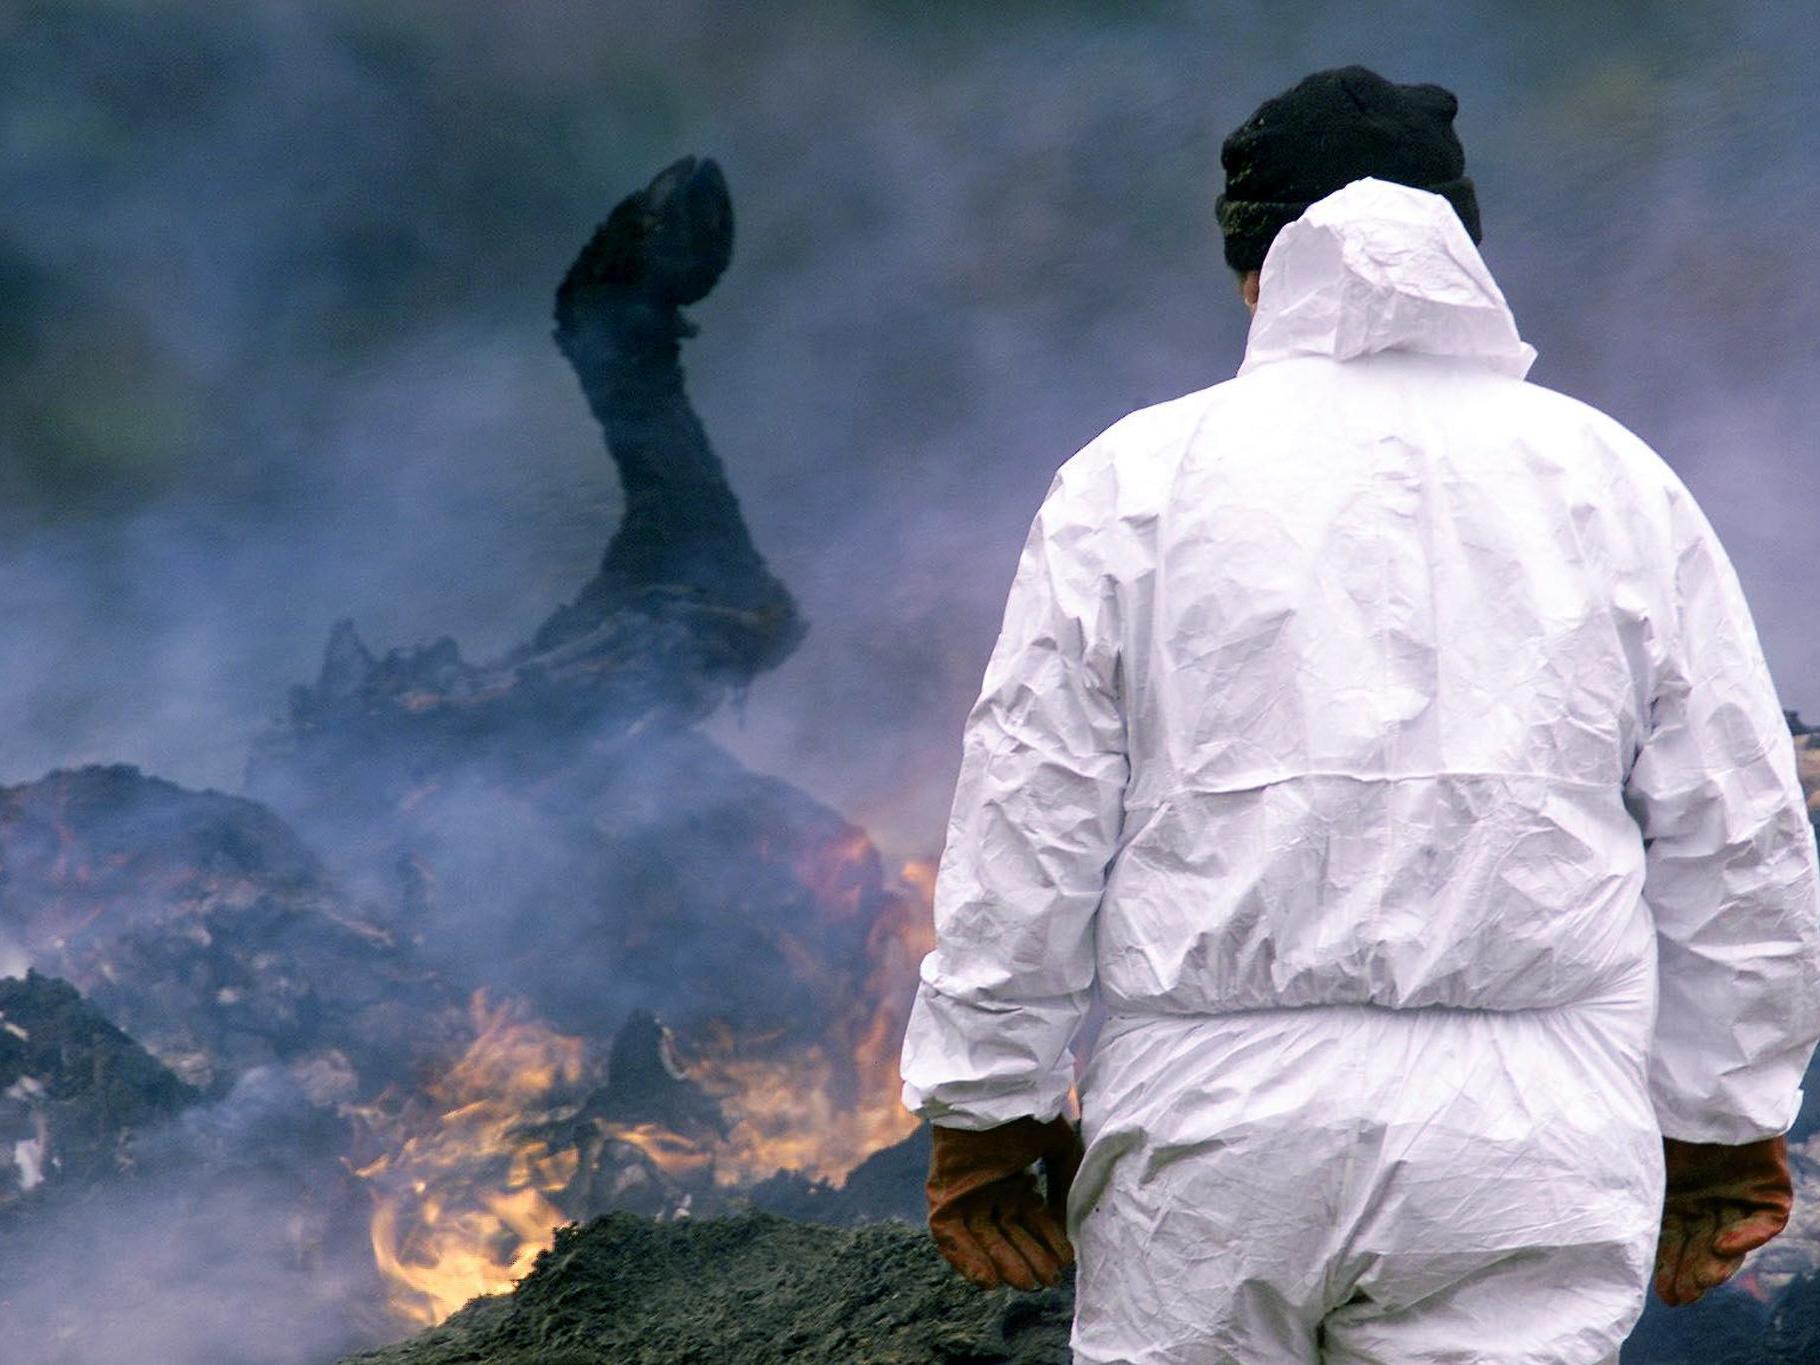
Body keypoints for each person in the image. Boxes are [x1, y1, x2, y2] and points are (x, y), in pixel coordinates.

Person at [899, 65, 1820, 1363]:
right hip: (1530, 1139)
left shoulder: (1135, 481)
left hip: (1212, 1144)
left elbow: (1030, 810)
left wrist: (986, 1102)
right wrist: (1726, 1117)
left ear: (1250, 262)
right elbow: (1739, 832)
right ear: (1464, 246)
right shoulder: (1615, 480)